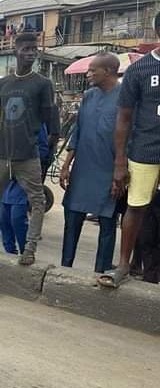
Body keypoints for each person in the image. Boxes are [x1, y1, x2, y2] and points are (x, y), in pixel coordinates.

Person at [0, 32, 54, 265]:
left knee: (36, 201)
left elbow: (50, 121)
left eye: (34, 49)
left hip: (28, 155)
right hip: (3, 153)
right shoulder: (2, 85)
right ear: (15, 50)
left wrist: (45, 153)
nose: (30, 53)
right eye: (26, 49)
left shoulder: (42, 84)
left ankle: (29, 249)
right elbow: (3, 117)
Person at [98, 13, 160, 288]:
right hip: (145, 150)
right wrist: (120, 162)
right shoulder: (140, 70)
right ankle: (124, 265)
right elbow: (123, 118)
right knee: (136, 207)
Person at [60, 53, 121, 274]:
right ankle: (65, 267)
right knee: (72, 218)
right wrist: (67, 165)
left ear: (108, 71)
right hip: (82, 169)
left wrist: (120, 174)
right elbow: (78, 132)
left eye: (93, 70)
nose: (88, 74)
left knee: (107, 222)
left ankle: (101, 270)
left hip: (109, 171)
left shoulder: (125, 98)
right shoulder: (88, 96)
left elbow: (129, 139)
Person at [0, 180, 28, 254]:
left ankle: (25, 251)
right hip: (6, 188)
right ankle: (10, 251)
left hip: (23, 187)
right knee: (4, 221)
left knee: (17, 221)